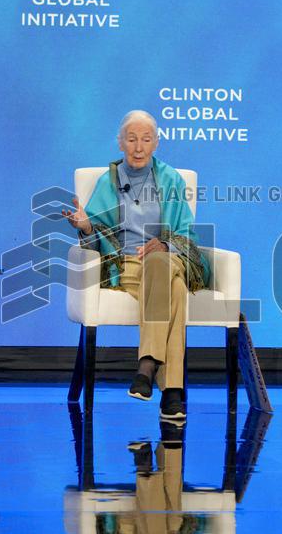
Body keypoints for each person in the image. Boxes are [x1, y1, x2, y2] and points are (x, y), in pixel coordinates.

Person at [62, 110, 210, 422]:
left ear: (156, 143)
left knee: (160, 261)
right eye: (131, 140)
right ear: (120, 143)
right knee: (176, 291)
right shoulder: (109, 181)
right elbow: (97, 236)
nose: (138, 147)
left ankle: (147, 365)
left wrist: (165, 245)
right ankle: (172, 392)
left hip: (169, 260)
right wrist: (86, 227)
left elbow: (186, 233)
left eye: (145, 139)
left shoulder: (171, 180)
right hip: (127, 266)